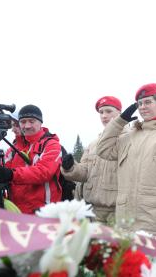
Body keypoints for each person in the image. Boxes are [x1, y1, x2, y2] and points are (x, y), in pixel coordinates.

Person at [96, 83, 156, 240]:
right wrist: (119, 121)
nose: (142, 107)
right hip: (125, 221)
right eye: (139, 104)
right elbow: (103, 149)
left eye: (148, 102)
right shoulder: (130, 136)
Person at [60, 96, 122, 224]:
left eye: (108, 111)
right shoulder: (93, 144)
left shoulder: (129, 139)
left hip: (118, 210)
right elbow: (85, 173)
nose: (104, 116)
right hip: (92, 210)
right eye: (101, 112)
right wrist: (71, 167)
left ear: (120, 113)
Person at [0, 104, 63, 214]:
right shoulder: (13, 148)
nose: (27, 126)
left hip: (43, 212)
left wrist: (12, 174)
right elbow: (3, 169)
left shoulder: (52, 144)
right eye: (23, 122)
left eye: (31, 121)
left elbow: (44, 171)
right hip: (17, 211)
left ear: (40, 122)